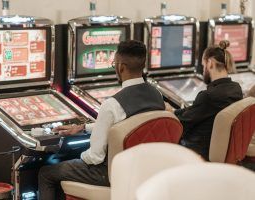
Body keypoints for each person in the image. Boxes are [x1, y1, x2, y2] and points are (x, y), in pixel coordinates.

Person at [38, 40, 165, 199]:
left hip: (111, 174)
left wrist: (74, 157)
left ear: (120, 67)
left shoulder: (112, 104)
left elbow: (95, 157)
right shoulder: (157, 95)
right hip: (147, 169)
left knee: (46, 173)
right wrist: (84, 128)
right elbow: (126, 125)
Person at [166, 40, 243, 160]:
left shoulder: (208, 96)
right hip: (220, 147)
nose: (203, 71)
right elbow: (196, 111)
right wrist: (174, 112)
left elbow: (181, 125)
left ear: (210, 63)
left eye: (203, 65)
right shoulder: (236, 89)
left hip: (197, 150)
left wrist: (167, 114)